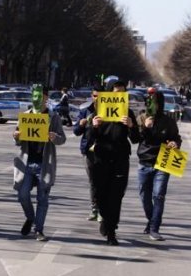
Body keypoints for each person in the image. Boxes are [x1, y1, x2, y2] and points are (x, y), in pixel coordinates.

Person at [86, 79, 139, 245]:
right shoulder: (98, 112)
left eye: (123, 93)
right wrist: (93, 126)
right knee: (101, 194)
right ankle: (104, 219)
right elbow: (88, 140)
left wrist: (131, 126)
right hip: (101, 159)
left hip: (120, 159)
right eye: (116, 93)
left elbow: (136, 139)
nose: (119, 96)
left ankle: (111, 231)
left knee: (116, 196)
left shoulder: (128, 113)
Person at [12, 85, 66, 242]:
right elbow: (17, 139)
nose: (36, 99)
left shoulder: (53, 117)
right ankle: (30, 218)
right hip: (26, 163)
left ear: (45, 98)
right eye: (33, 96)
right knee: (23, 195)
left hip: (44, 163)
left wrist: (54, 137)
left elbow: (62, 139)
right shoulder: (25, 116)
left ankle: (39, 230)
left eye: (39, 96)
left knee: (42, 199)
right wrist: (16, 136)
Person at [136, 88, 181, 241]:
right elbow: (135, 139)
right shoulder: (141, 118)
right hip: (144, 162)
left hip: (162, 161)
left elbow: (176, 138)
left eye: (155, 102)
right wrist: (145, 128)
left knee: (159, 196)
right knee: (144, 197)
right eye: (150, 101)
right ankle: (151, 220)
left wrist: (175, 143)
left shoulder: (168, 121)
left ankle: (154, 228)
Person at [73, 85, 103, 221]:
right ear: (92, 96)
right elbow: (76, 131)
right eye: (95, 96)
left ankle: (102, 209)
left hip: (105, 150)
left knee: (103, 181)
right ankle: (94, 208)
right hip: (88, 151)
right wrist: (81, 124)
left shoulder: (110, 111)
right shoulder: (86, 111)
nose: (97, 98)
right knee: (93, 181)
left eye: (100, 96)